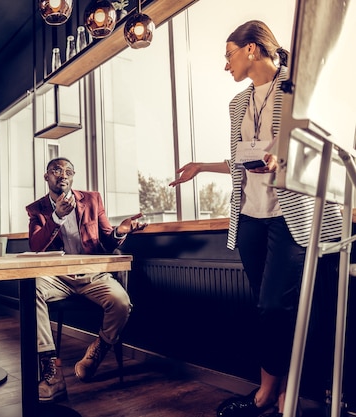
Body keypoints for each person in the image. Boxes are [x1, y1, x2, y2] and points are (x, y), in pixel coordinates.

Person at [168, 21, 342, 417]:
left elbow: (321, 145)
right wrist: (203, 166)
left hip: (291, 215)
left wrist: (284, 161)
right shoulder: (237, 104)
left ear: (250, 49)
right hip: (249, 216)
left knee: (273, 306)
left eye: (228, 54)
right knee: (266, 309)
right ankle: (270, 394)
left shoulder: (297, 89)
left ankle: (282, 395)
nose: (225, 64)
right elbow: (243, 156)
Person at [26, 157, 147, 403]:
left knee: (121, 302)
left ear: (73, 177)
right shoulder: (37, 209)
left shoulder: (92, 200)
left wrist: (120, 231)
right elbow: (36, 246)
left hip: (92, 272)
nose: (63, 174)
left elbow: (106, 239)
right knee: (31, 288)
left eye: (68, 171)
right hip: (57, 276)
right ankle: (51, 371)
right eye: (56, 170)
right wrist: (56, 217)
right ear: (46, 177)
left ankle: (97, 351)